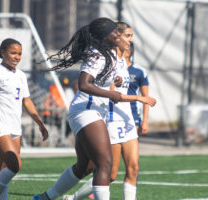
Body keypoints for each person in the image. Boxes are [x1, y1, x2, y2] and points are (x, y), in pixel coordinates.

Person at [32, 17, 156, 200]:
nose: (120, 35)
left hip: (95, 112)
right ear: (106, 36)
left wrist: (117, 81)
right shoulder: (97, 54)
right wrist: (115, 95)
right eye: (116, 32)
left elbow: (103, 78)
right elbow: (83, 84)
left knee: (85, 167)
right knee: (105, 164)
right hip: (86, 111)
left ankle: (46, 197)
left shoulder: (114, 55)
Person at [62, 22, 146, 200]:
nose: (130, 40)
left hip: (128, 119)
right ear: (116, 37)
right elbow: (100, 88)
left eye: (131, 36)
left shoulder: (127, 65)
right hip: (111, 118)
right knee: (110, 172)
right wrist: (131, 95)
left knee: (133, 167)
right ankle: (74, 198)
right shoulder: (107, 59)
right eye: (127, 36)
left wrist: (142, 116)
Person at [0, 38, 48, 200]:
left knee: (5, 168)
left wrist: (40, 123)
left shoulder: (21, 75)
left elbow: (27, 101)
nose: (17, 57)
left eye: (19, 54)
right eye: (13, 53)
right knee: (15, 164)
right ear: (3, 53)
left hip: (15, 127)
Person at [126, 43, 150, 135]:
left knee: (131, 146)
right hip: (115, 112)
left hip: (133, 113)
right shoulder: (112, 69)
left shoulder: (139, 71)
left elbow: (146, 98)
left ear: (128, 52)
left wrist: (145, 121)